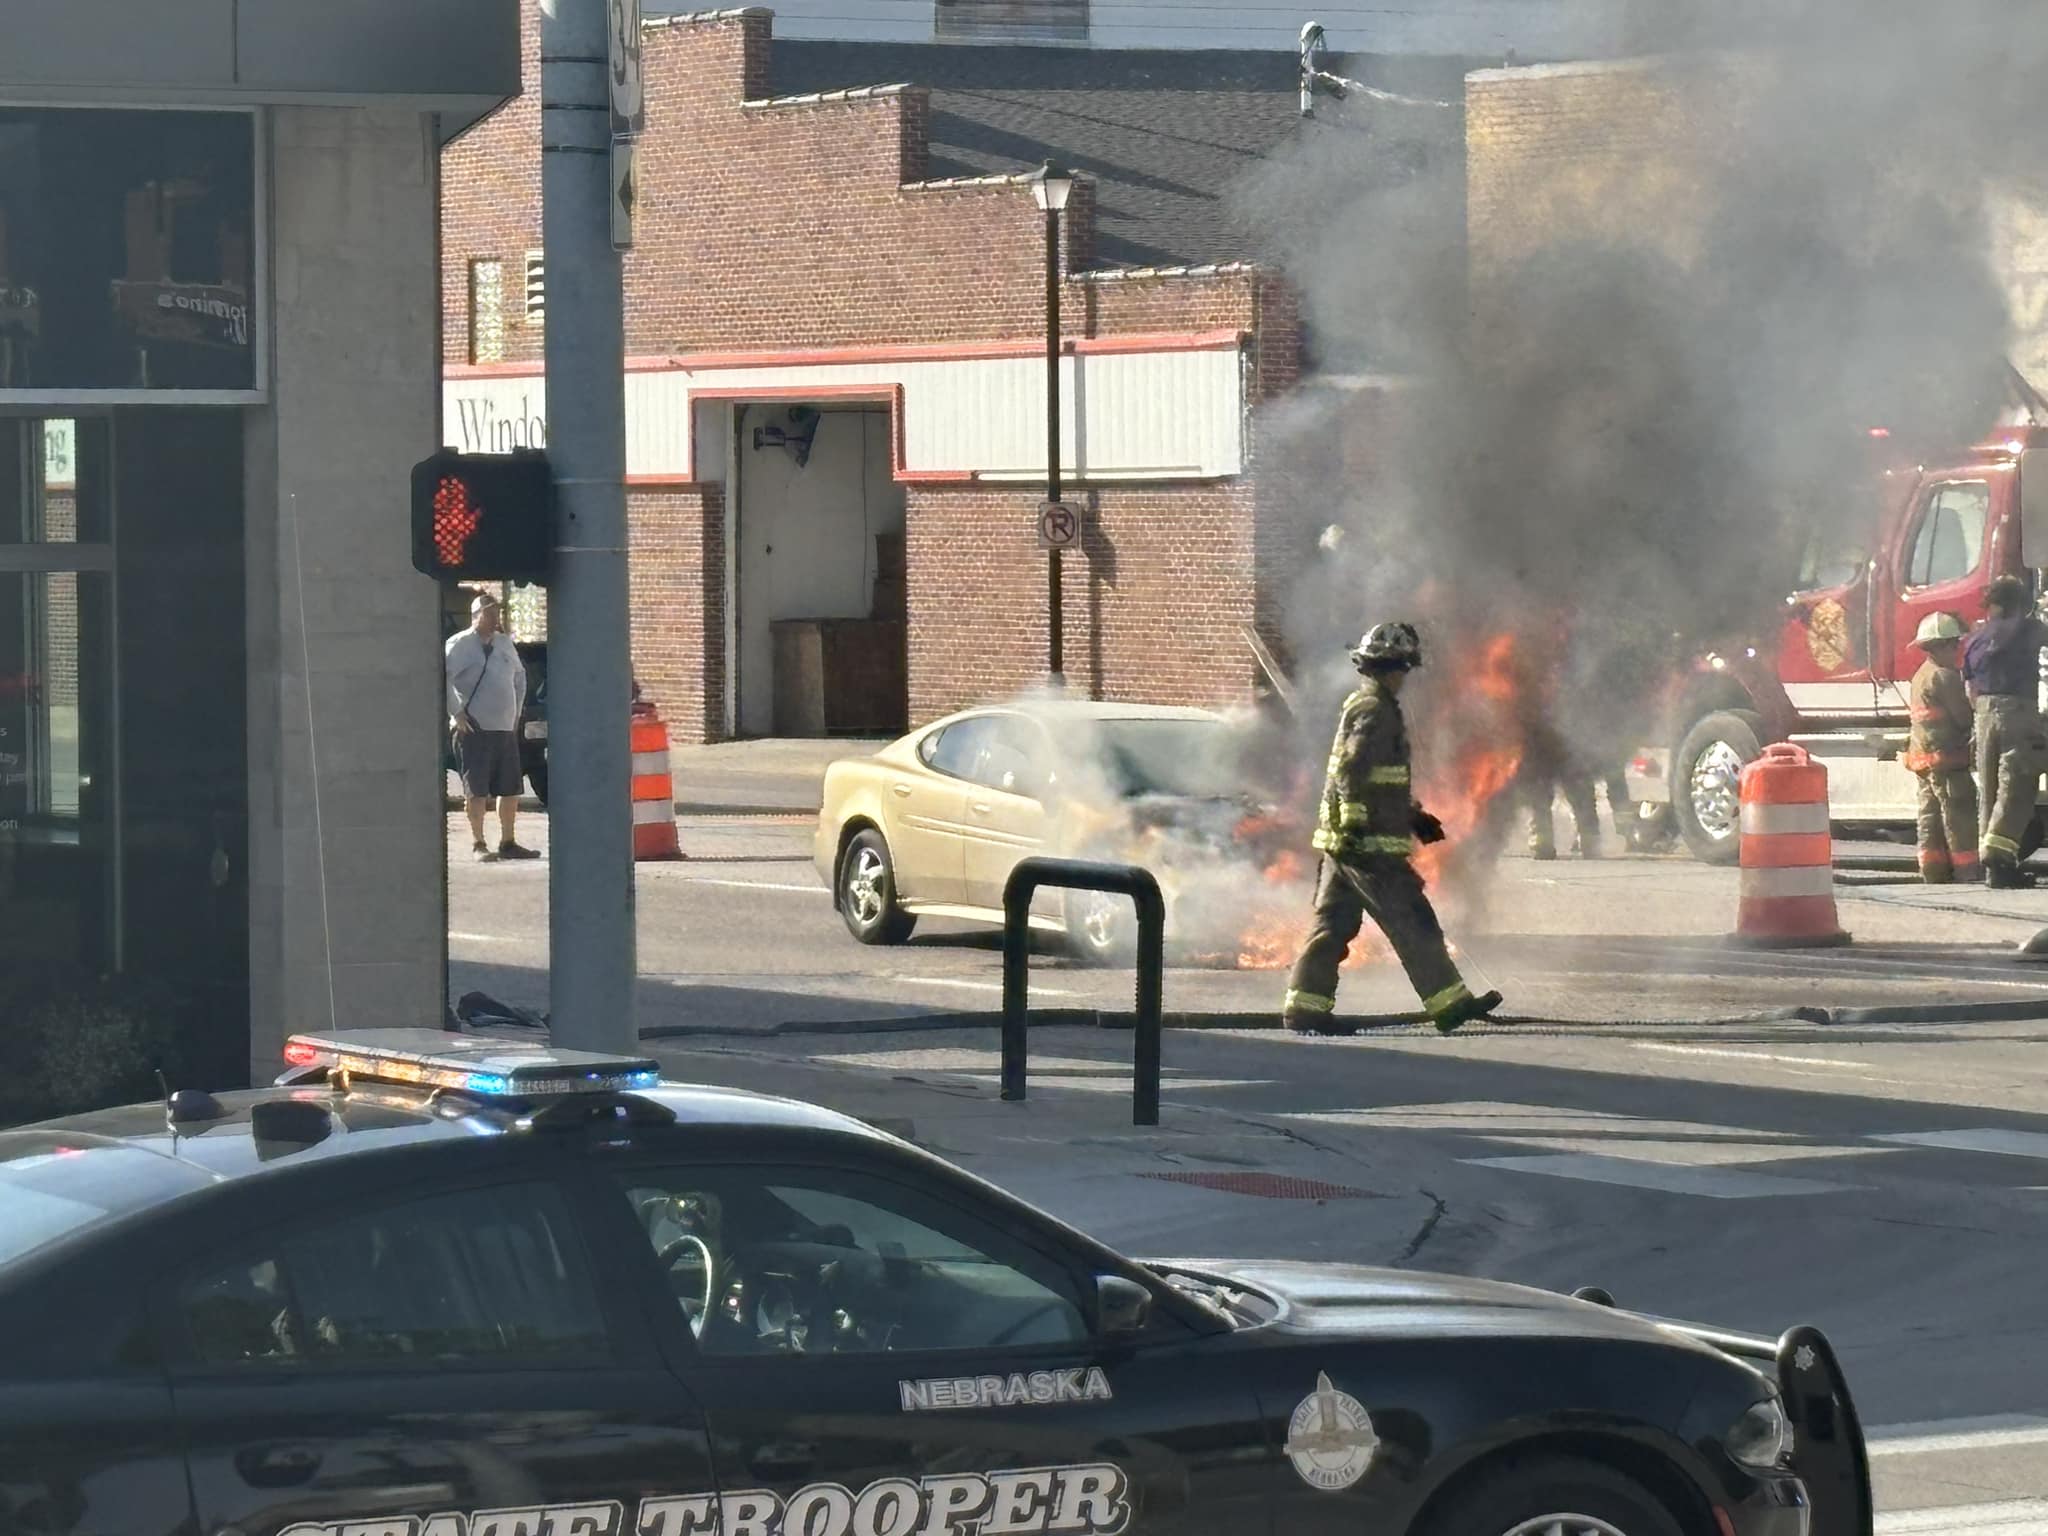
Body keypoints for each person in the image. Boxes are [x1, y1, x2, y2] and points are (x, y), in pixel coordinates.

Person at [1282, 622, 1505, 1036]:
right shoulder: (1375, 709)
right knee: (1413, 920)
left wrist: (1411, 813)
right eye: (1404, 668)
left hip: (1345, 842)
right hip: (1366, 844)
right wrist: (1354, 822)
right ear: (1392, 668)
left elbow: (1379, 779)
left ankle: (1305, 1007)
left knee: (1332, 926)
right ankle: (1449, 1003)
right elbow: (1353, 769)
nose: (1406, 677)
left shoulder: (1365, 703)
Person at [1963, 575, 2048, 889]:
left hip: (1983, 713)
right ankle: (1999, 859)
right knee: (2017, 784)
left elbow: (1968, 684)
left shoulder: (1976, 637)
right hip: (2018, 711)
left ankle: (1995, 870)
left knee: (1989, 788)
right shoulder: (2028, 628)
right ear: (2019, 603)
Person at [445, 592, 537, 862]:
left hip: (504, 728)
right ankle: (478, 843)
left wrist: (516, 713)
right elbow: (443, 679)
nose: (494, 616)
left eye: (496, 611)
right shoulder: (459, 644)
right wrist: (457, 713)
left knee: (509, 788)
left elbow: (519, 678)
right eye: (488, 612)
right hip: (474, 728)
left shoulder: (505, 644)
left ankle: (508, 841)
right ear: (476, 616)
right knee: (477, 789)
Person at [1904, 611, 1979, 884]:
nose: (1957, 649)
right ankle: (1968, 871)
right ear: (1942, 645)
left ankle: (1933, 871)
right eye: (1954, 644)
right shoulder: (1945, 677)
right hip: (1946, 760)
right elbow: (1964, 717)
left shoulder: (1920, 675)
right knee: (1959, 816)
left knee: (1930, 818)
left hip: (1924, 760)